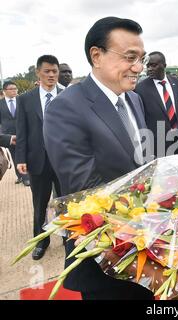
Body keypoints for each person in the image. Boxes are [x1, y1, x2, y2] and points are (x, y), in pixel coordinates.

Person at [43, 17, 153, 300]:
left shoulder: (135, 99)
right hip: (103, 256)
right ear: (96, 55)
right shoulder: (66, 107)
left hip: (146, 248)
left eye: (141, 58)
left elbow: (142, 161)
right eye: (130, 57)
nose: (138, 68)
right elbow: (85, 186)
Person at [16, 55, 63, 261]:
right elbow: (22, 131)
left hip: (64, 161)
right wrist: (20, 159)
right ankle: (41, 241)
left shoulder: (68, 95)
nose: (51, 75)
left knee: (66, 202)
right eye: (47, 71)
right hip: (38, 161)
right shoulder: (26, 99)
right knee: (40, 204)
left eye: (54, 71)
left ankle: (70, 238)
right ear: (38, 72)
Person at [135, 51, 178, 158]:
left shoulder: (176, 83)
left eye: (154, 65)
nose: (150, 69)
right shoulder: (140, 89)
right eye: (148, 66)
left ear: (164, 66)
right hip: (158, 145)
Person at [0, 81, 30, 186]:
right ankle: (21, 176)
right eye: (11, 89)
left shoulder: (22, 101)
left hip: (23, 133)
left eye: (15, 89)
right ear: (4, 91)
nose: (14, 91)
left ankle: (26, 176)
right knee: (15, 156)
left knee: (25, 153)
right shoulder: (1, 104)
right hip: (9, 136)